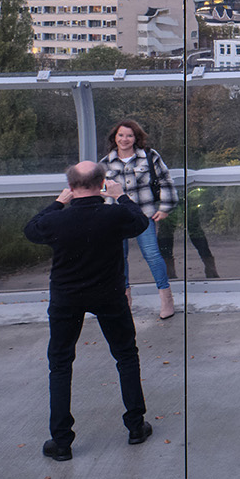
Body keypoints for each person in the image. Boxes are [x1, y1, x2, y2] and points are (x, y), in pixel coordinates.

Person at [24, 161, 156, 461]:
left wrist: (58, 203)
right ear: (102, 185)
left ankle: (61, 442)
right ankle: (136, 427)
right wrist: (120, 195)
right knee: (125, 355)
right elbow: (140, 222)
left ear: (71, 187)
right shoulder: (115, 214)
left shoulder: (57, 220)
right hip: (108, 294)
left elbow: (31, 229)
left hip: (65, 298)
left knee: (60, 364)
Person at [101, 117, 179, 318]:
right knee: (119, 259)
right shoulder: (104, 164)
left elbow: (166, 180)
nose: (124, 139)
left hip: (144, 216)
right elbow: (99, 192)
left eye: (129, 135)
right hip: (115, 219)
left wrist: (165, 207)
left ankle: (166, 299)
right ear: (114, 137)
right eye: (121, 135)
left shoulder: (150, 157)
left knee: (152, 255)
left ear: (136, 138)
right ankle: (124, 300)